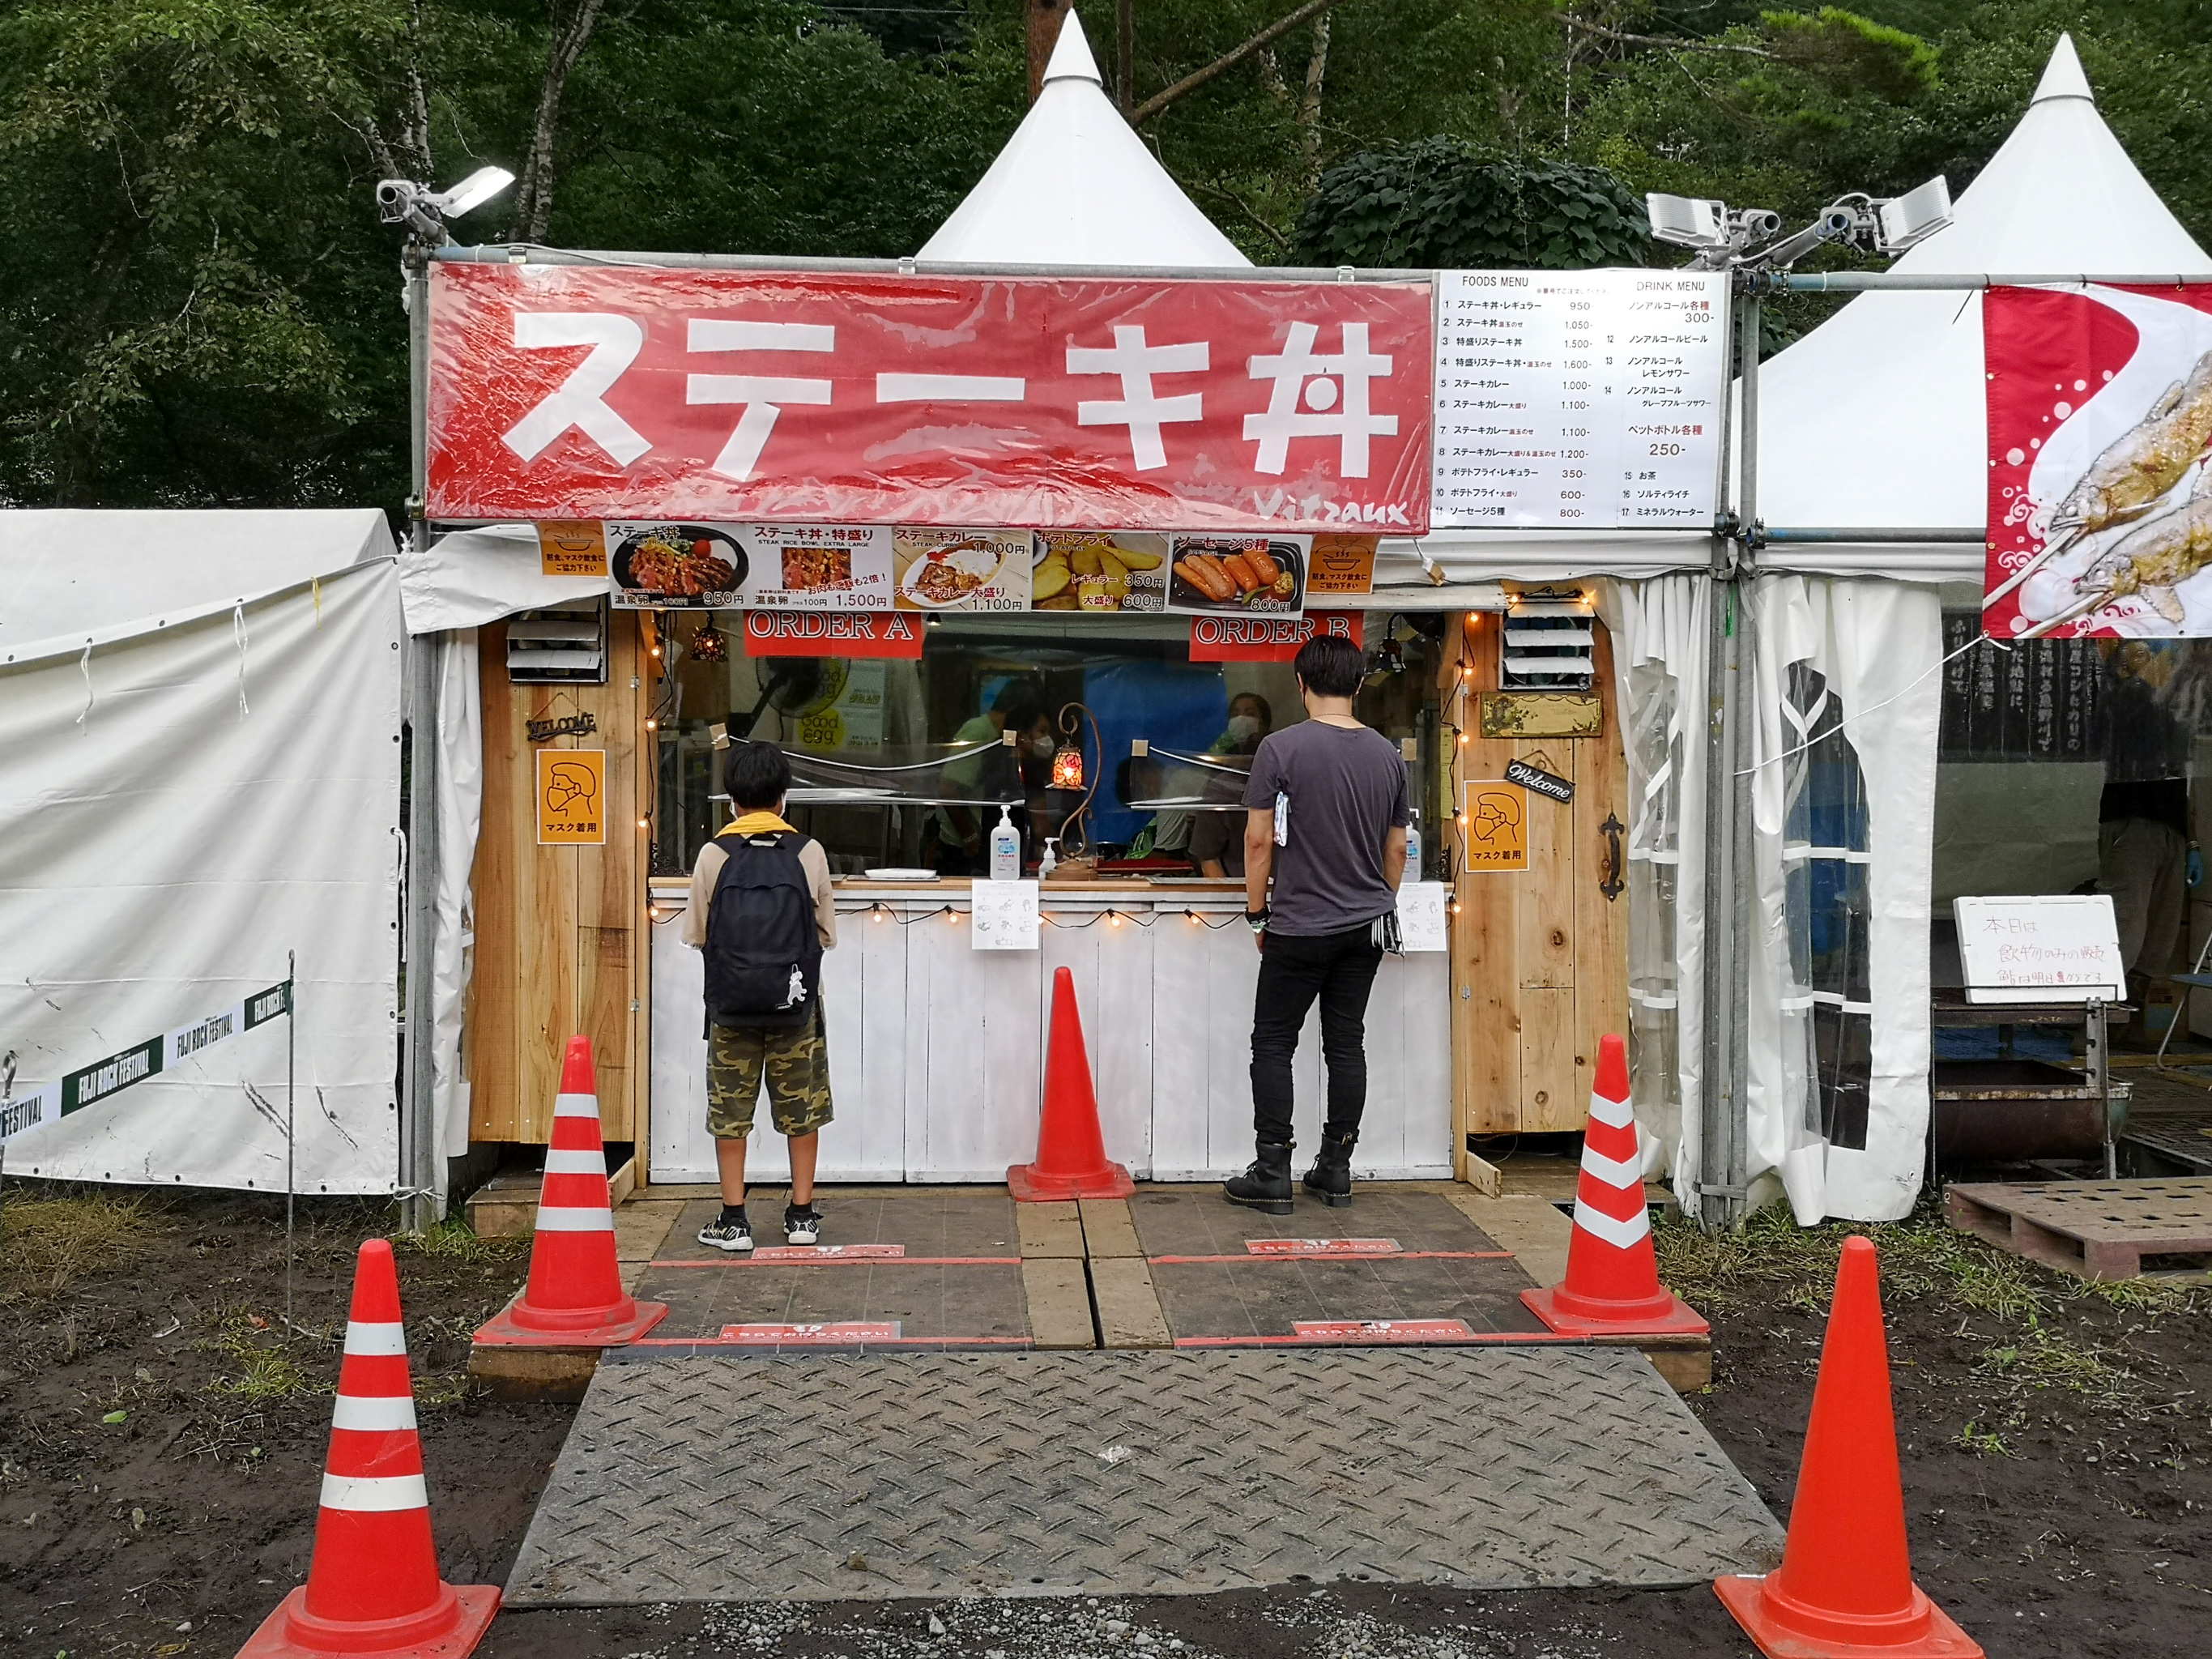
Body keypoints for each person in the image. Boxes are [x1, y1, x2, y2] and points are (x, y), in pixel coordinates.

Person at [1225, 637, 1407, 1213]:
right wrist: (1377, 901)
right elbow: (1397, 848)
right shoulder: (1387, 755)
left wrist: (1257, 912)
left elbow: (1258, 841)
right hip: (1366, 926)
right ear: (1358, 685)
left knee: (1273, 1043)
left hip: (1299, 924)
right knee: (1346, 1042)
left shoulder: (1279, 749)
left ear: (1301, 685)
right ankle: (1335, 1169)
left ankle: (1272, 1171)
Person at [684, 740, 839, 1250]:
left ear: (732, 801)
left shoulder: (714, 854)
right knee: (803, 1108)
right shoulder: (808, 852)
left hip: (731, 1008)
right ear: (783, 797)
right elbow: (825, 935)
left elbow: (696, 934)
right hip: (796, 1006)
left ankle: (734, 1221)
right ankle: (801, 1217)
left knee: (731, 1112)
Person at [2096, 640, 2199, 1044]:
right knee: (2125, 927)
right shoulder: (2123, 702)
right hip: (2132, 823)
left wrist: (2192, 844)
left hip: (2171, 827)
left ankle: (2130, 1024)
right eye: (2139, 657)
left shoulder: (2172, 707)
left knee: (2160, 934)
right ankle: (2098, 1029)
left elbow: (2183, 779)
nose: (2154, 662)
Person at [1189, 693, 1272, 876]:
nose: (1241, 719)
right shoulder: (1221, 776)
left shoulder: (1286, 773)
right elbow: (1207, 856)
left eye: (1250, 714)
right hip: (1237, 885)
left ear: (1265, 723)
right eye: (1235, 714)